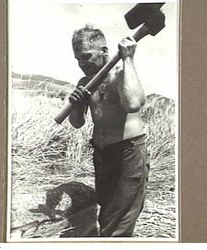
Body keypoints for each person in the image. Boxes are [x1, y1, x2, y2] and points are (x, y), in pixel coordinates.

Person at [68, 24, 150, 237]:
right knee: (107, 216)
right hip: (103, 156)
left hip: (128, 155)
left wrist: (128, 59)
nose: (82, 64)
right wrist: (76, 105)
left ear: (104, 51)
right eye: (78, 59)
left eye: (87, 57)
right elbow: (77, 123)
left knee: (118, 225)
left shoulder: (121, 74)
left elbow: (133, 103)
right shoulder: (86, 83)